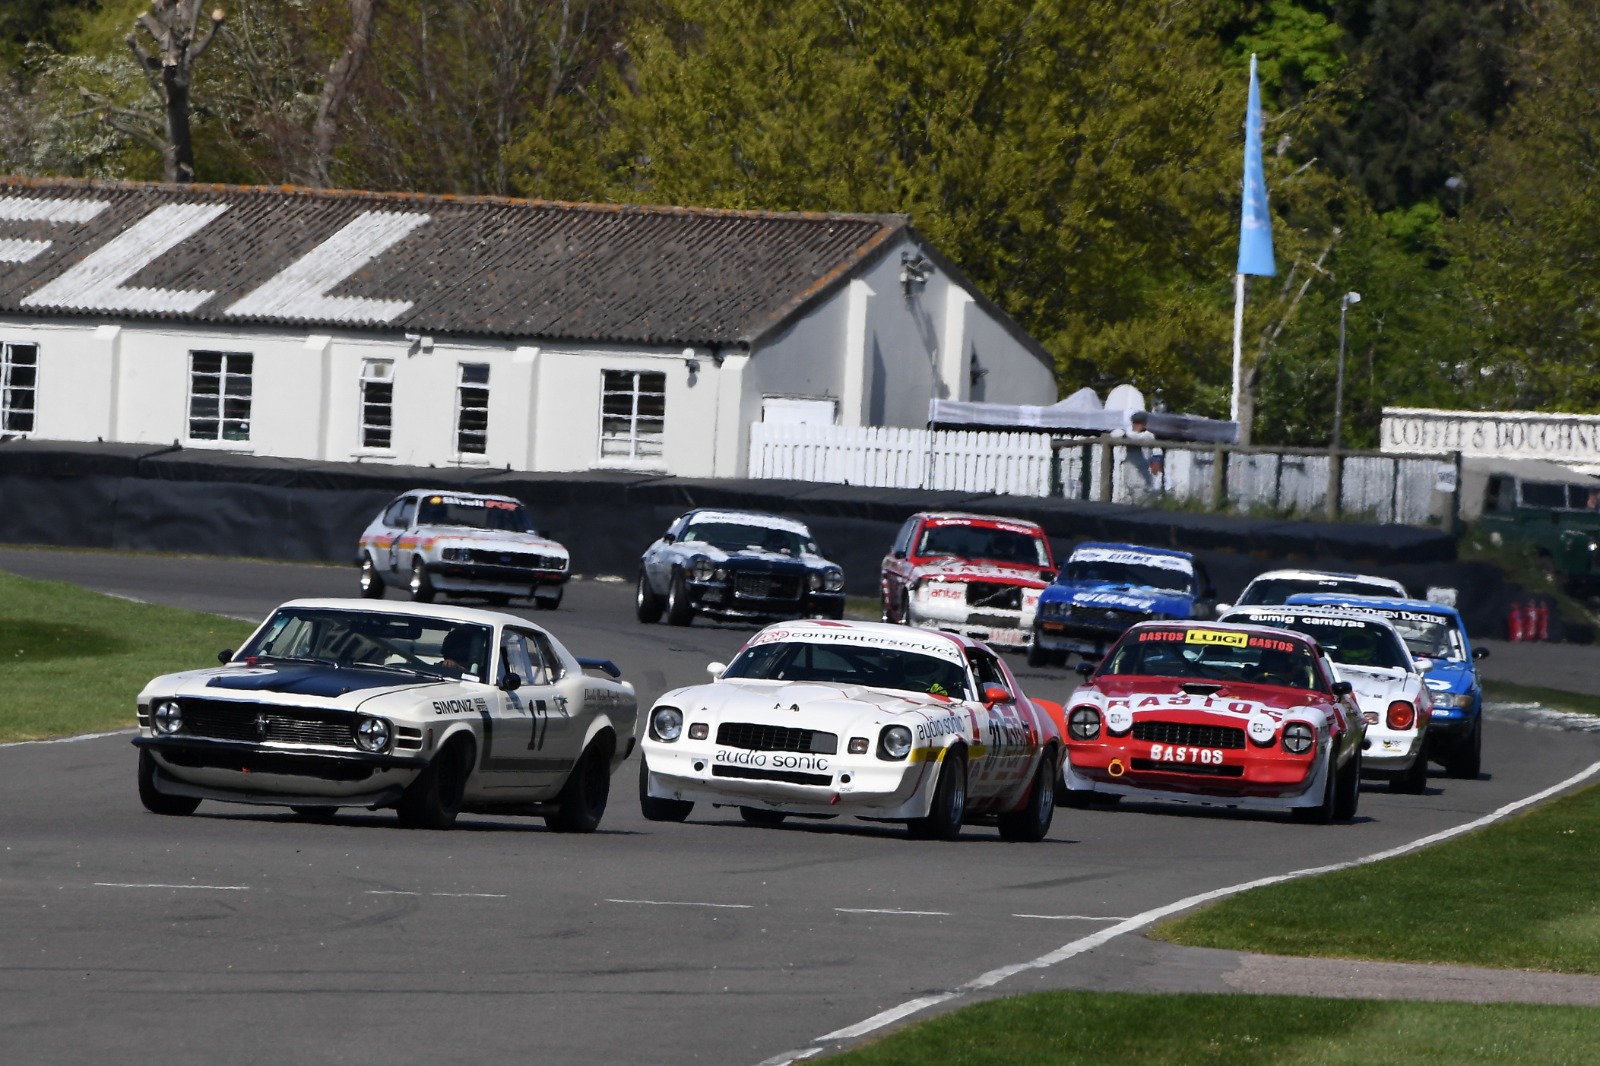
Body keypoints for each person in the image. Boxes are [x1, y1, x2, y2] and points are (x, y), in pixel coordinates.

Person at [1112, 411, 1160, 498]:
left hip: (1143, 472)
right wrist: (1123, 433)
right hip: (1129, 471)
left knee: (1142, 496)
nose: (1137, 425)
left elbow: (1137, 437)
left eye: (1139, 423)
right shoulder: (1127, 434)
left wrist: (1125, 434)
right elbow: (1114, 435)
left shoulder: (1148, 435)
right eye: (1135, 423)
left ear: (1144, 424)